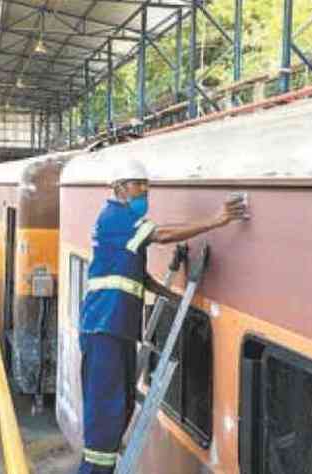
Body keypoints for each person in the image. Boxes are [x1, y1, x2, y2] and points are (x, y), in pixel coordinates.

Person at [78, 159, 249, 473]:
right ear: (119, 188)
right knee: (105, 418)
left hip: (118, 329)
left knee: (122, 407)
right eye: (137, 185)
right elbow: (163, 234)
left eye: (146, 187)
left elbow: (136, 276)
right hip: (105, 327)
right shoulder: (116, 217)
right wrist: (217, 220)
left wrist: (174, 296)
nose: (144, 192)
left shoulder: (124, 224)